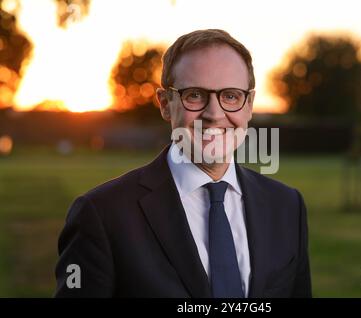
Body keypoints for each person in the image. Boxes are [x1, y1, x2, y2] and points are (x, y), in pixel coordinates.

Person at [55, 29, 311, 298]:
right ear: (166, 104)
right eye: (195, 95)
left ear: (249, 105)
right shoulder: (102, 215)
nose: (214, 114)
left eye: (231, 96)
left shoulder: (287, 206)